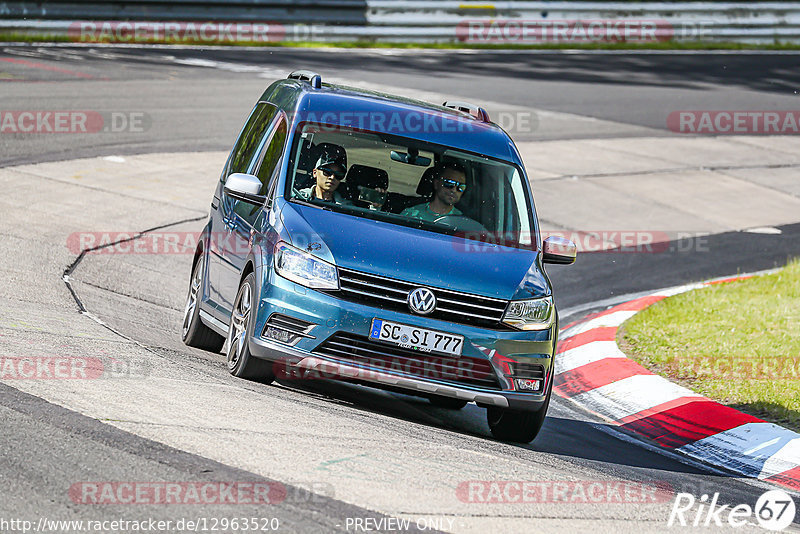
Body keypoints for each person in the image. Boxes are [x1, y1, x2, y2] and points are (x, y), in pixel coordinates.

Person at [401, 161, 468, 222]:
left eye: (461, 187)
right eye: (449, 183)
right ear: (436, 184)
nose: (454, 190)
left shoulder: (463, 223)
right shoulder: (410, 215)